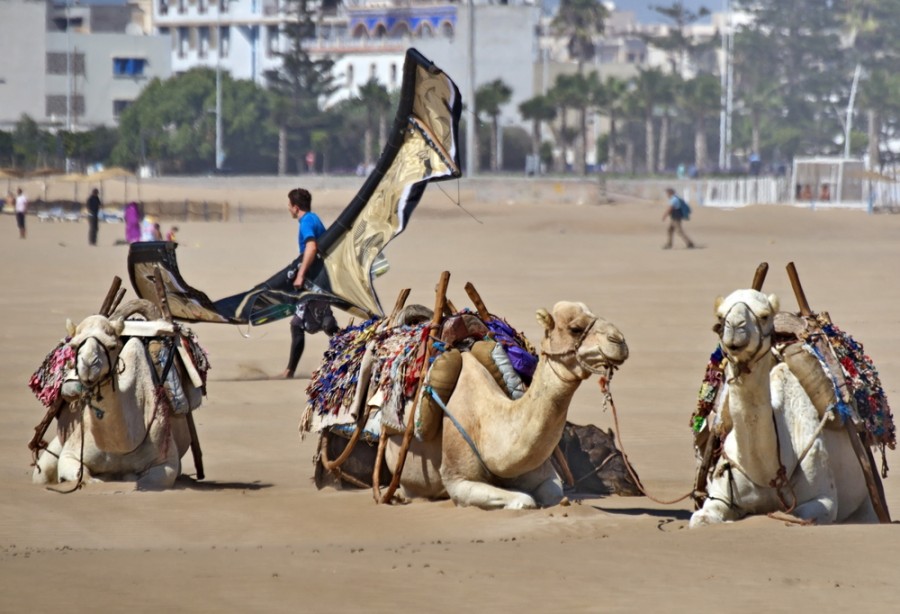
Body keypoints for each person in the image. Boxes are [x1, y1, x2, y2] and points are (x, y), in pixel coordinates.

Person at [281, 188, 338, 379]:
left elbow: (311, 247)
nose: (288, 208)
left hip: (316, 280)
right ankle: (290, 370)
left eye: (289, 205)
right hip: (319, 279)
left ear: (295, 207)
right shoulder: (313, 218)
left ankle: (352, 350)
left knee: (317, 323)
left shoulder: (306, 222)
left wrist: (300, 275)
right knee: (311, 321)